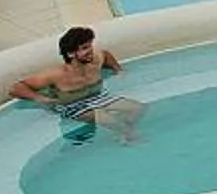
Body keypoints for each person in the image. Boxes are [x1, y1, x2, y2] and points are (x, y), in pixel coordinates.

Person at [9, 27, 144, 144]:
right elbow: (15, 88)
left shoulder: (96, 60)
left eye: (90, 45)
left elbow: (106, 55)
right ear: (71, 53)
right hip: (72, 106)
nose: (90, 50)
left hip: (99, 97)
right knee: (109, 119)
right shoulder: (56, 75)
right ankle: (127, 139)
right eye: (85, 48)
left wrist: (118, 69)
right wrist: (39, 98)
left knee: (138, 108)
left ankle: (126, 131)